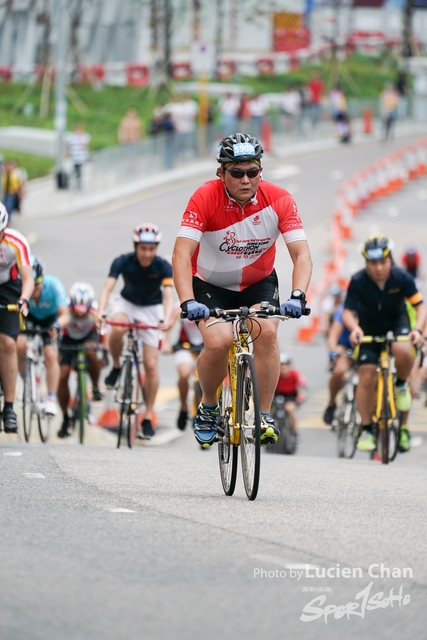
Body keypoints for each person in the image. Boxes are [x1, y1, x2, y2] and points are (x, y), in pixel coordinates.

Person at [172, 132, 312, 447]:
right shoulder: (205, 197)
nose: (245, 180)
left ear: (261, 172)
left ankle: (262, 414)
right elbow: (181, 254)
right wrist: (187, 301)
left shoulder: (279, 199)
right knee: (219, 341)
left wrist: (298, 295)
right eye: (236, 172)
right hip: (210, 285)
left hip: (258, 283)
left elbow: (301, 255)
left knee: (266, 331)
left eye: (253, 172)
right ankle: (208, 406)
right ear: (221, 173)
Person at [342, 234, 426, 453]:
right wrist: (355, 328)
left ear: (390, 260)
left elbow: (420, 306)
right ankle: (367, 429)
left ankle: (400, 384)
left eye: (383, 262)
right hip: (369, 328)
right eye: (373, 263)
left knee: (404, 349)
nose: (378, 268)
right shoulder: (358, 280)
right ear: (366, 263)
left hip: (398, 324)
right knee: (367, 375)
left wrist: (417, 330)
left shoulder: (401, 277)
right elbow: (348, 312)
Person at [98, 223, 173, 438]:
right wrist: (102, 311)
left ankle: (148, 415)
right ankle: (115, 365)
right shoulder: (122, 261)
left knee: (150, 365)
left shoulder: (163, 266)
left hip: (152, 307)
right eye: (143, 249)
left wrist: (166, 320)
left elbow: (168, 296)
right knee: (118, 327)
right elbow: (107, 288)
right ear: (135, 247)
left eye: (151, 249)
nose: (147, 254)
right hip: (127, 303)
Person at [17, 257, 69, 417]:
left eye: (37, 285)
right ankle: (24, 380)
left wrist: (57, 326)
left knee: (50, 353)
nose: (34, 290)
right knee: (19, 345)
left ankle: (51, 399)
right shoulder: (21, 287)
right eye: (32, 286)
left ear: (42, 280)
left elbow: (66, 315)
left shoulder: (54, 285)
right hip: (29, 316)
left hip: (50, 319)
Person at [0, 202, 33, 432]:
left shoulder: (16, 241)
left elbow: (28, 278)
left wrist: (24, 299)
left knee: (9, 344)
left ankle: (9, 408)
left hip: (9, 286)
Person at [57, 283, 103, 438]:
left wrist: (106, 352)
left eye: (83, 314)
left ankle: (95, 386)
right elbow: (56, 329)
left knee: (90, 350)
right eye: (77, 314)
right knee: (62, 376)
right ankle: (65, 417)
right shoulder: (65, 309)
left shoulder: (95, 311)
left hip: (87, 337)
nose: (80, 316)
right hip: (67, 340)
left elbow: (106, 332)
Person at [165, 302, 204, 431]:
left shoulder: (211, 298)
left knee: (208, 378)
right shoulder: (181, 305)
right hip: (186, 346)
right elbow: (168, 324)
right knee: (184, 373)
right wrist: (165, 342)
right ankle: (183, 407)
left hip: (206, 347)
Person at [323, 304, 354, 426]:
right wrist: (333, 352)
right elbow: (333, 335)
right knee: (340, 371)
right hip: (346, 345)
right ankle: (332, 402)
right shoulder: (344, 310)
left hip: (365, 345)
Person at [273, 352, 306, 438]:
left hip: (291, 397)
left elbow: (302, 387)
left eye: (285, 365)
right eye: (281, 365)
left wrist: (300, 397)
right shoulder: (275, 375)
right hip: (277, 396)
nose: (283, 368)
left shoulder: (295, 375)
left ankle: (295, 433)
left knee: (290, 409)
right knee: (273, 416)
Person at [65, 123, 91, 189]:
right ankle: (72, 181)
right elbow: (68, 146)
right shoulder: (72, 136)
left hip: (81, 157)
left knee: (79, 170)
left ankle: (78, 184)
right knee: (74, 170)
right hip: (74, 156)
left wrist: (80, 138)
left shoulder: (85, 136)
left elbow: (85, 145)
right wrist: (66, 154)